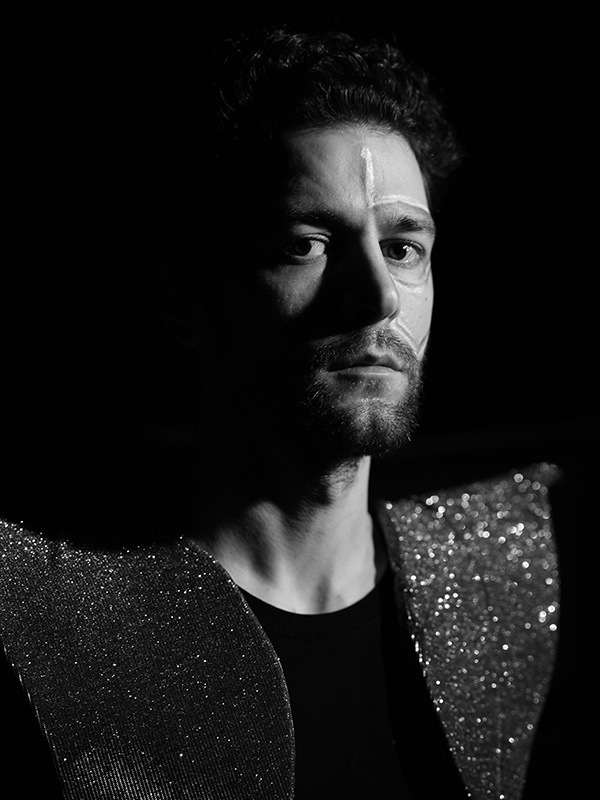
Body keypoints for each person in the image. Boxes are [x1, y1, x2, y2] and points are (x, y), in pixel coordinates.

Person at [0, 27, 566, 799]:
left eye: (403, 247)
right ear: (186, 301)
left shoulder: (501, 588)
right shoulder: (45, 627)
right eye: (307, 244)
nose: (378, 296)